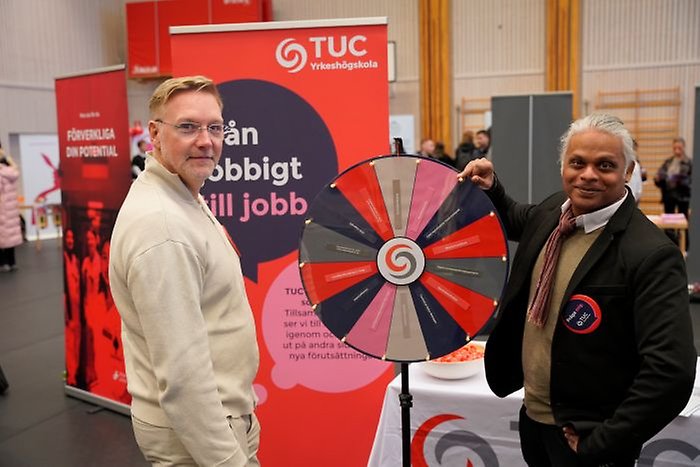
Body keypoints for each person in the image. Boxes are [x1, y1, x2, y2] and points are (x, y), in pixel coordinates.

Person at [458, 113, 695, 466]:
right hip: (534, 421)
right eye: (578, 163)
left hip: (587, 438)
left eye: (605, 165)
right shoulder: (555, 212)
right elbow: (518, 217)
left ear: (628, 171)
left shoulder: (650, 253)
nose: (588, 174)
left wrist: (604, 442)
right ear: (563, 166)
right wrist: (492, 189)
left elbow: (671, 372)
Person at [109, 76, 260, 466]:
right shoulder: (163, 227)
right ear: (155, 134)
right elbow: (182, 376)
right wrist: (228, 460)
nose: (206, 141)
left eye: (215, 128)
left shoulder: (181, 196)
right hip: (200, 435)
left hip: (217, 419)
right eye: (188, 127)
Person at [654, 137, 692, 217]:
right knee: (668, 219)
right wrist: (658, 179)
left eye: (679, 148)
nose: (677, 150)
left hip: (683, 196)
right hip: (669, 195)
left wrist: (680, 180)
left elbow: (692, 181)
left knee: (683, 219)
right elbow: (660, 174)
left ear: (683, 148)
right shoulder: (668, 162)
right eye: (675, 148)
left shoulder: (689, 163)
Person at [0, 147, 22, 272]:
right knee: (11, 237)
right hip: (11, 209)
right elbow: (16, 169)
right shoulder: (11, 171)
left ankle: (3, 263)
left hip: (2, 209)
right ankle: (12, 262)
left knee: (2, 238)